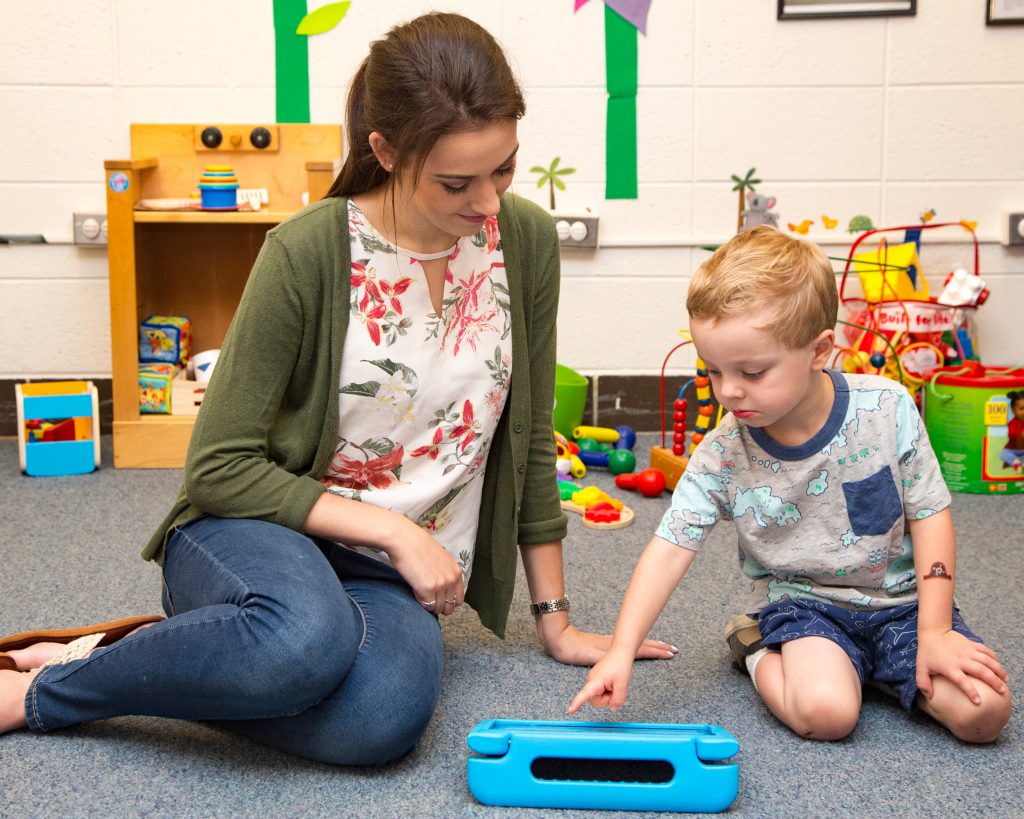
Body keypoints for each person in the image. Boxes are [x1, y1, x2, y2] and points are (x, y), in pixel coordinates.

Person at [0, 12, 674, 763]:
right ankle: (52, 687)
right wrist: (397, 531)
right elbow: (218, 469)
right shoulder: (306, 252)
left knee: (379, 720)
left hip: (382, 577)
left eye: (505, 168)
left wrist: (555, 618)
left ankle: (183, 657)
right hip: (255, 532)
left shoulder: (523, 241)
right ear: (384, 150)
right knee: (304, 641)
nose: (488, 201)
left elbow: (532, 436)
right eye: (457, 181)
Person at [568, 226, 1012, 743]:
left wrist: (935, 632)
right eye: (713, 370)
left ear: (820, 350)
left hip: (905, 604)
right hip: (805, 605)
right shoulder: (722, 452)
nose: (729, 391)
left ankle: (875, 666)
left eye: (753, 372)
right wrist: (622, 649)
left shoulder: (888, 408)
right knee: (829, 716)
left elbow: (931, 514)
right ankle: (757, 645)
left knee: (986, 714)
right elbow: (669, 548)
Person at [999, 390, 1024, 473]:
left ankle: (1018, 463)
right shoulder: (1012, 423)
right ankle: (1017, 463)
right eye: (1021, 409)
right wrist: (1021, 434)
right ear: (1013, 411)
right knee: (1003, 454)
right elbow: (1012, 434)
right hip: (1012, 449)